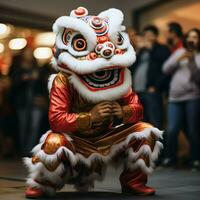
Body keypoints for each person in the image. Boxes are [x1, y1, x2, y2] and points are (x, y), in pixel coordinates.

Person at [24, 7, 163, 198]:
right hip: (75, 140)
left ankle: (134, 182)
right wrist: (90, 117)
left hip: (107, 136)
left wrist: (121, 112)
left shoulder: (120, 76)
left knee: (145, 130)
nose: (103, 52)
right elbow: (56, 120)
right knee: (54, 141)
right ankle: (44, 183)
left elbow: (137, 109)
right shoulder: (63, 79)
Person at [162, 28, 200, 170]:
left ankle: (195, 159)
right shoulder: (179, 52)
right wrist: (178, 60)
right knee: (172, 129)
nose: (192, 39)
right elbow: (165, 69)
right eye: (190, 37)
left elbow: (198, 78)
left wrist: (192, 62)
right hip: (175, 98)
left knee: (193, 130)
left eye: (195, 37)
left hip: (193, 97)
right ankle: (170, 159)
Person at [9, 47, 46, 155]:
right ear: (22, 55)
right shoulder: (16, 68)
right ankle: (22, 150)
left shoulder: (38, 69)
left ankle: (29, 150)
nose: (29, 55)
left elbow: (44, 85)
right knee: (23, 126)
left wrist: (42, 97)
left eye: (30, 52)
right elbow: (13, 86)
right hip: (22, 102)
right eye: (27, 53)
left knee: (34, 126)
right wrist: (23, 79)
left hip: (36, 102)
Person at [132, 25, 170, 129]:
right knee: (143, 124)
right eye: (146, 35)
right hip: (138, 92)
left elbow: (166, 70)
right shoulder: (142, 51)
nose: (147, 38)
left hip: (151, 91)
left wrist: (156, 87)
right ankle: (148, 145)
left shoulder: (162, 49)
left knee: (155, 123)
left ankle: (161, 145)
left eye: (150, 35)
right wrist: (138, 51)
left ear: (155, 36)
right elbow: (132, 67)